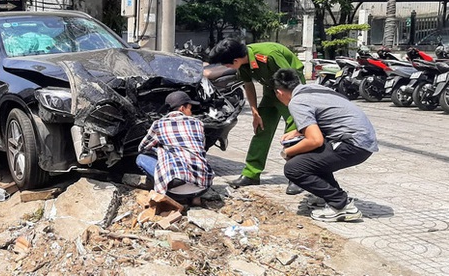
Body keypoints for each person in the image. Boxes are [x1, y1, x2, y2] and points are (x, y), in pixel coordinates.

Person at [273, 68, 379, 222]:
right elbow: (327, 116)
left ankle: (341, 205)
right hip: (363, 140)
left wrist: (287, 152)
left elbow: (315, 140)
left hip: (353, 144)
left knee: (294, 167)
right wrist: (298, 132)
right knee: (310, 158)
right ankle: (326, 196)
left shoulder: (296, 102)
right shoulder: (313, 88)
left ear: (279, 93)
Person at [208, 39, 305, 194]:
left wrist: (296, 107)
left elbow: (290, 79)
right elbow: (249, 85)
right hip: (272, 90)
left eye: (227, 65)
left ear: (235, 60)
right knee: (261, 129)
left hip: (291, 90)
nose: (227, 68)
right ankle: (251, 174)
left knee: (294, 134)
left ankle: (297, 177)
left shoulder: (269, 55)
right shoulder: (244, 63)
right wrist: (254, 111)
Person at [136, 91, 214, 202]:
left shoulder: (159, 124)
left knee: (141, 158)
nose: (191, 112)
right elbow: (202, 148)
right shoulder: (198, 123)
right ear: (182, 108)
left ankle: (168, 190)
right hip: (204, 186)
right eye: (190, 109)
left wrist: (159, 149)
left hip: (175, 191)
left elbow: (142, 148)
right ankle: (195, 197)